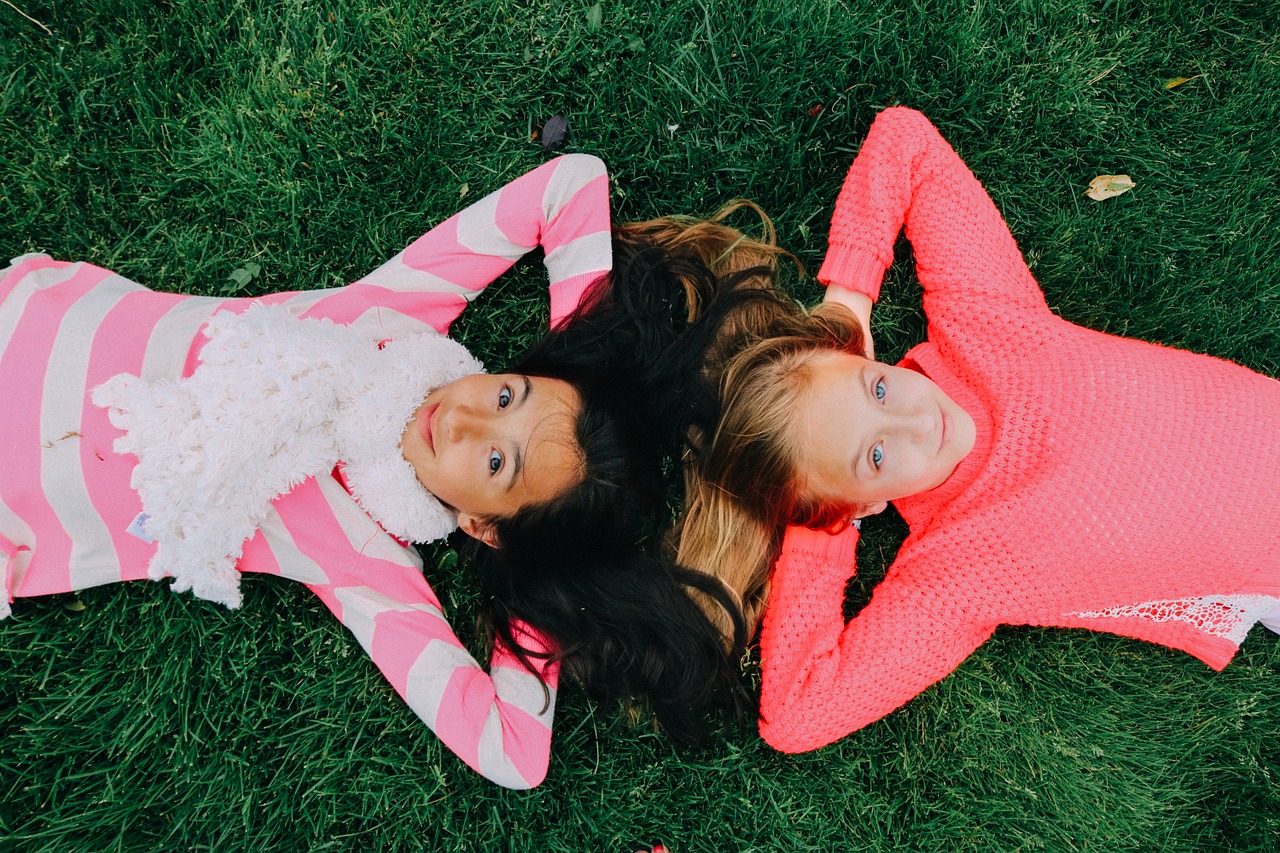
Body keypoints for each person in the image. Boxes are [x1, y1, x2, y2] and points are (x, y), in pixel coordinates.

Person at [0, 154, 748, 787]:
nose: (461, 416)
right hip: (31, 328)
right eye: (504, 393)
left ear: (482, 522)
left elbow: (513, 753)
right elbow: (571, 183)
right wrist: (581, 356)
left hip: (24, 498)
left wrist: (540, 575)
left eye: (495, 459)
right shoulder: (390, 322)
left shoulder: (365, 563)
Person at [677, 107, 1280, 753]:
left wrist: (848, 301)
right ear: (862, 503)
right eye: (876, 454)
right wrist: (820, 524)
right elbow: (796, 716)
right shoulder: (958, 570)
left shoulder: (985, 329)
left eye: (877, 387)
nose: (915, 419)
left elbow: (906, 141)